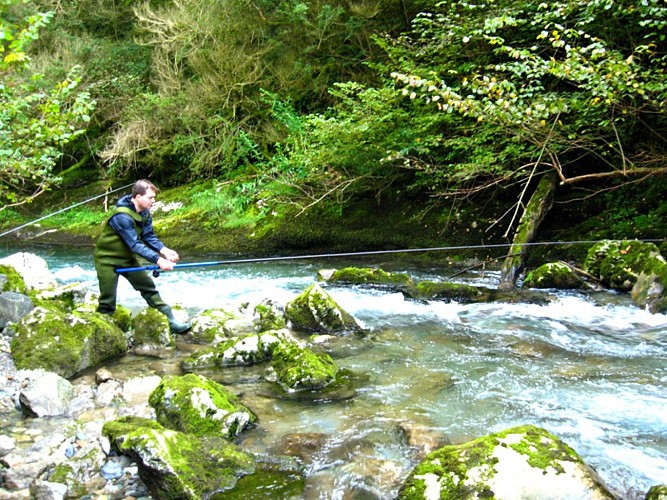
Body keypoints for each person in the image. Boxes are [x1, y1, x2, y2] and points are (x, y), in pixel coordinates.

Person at [94, 179, 191, 333]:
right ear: (138, 197)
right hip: (107, 261)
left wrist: (164, 250)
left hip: (127, 260)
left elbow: (149, 236)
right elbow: (134, 244)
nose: (154, 201)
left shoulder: (144, 213)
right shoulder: (121, 216)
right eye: (150, 197)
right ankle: (99, 331)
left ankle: (170, 321)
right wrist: (159, 260)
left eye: (154, 197)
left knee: (148, 287)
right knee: (107, 300)